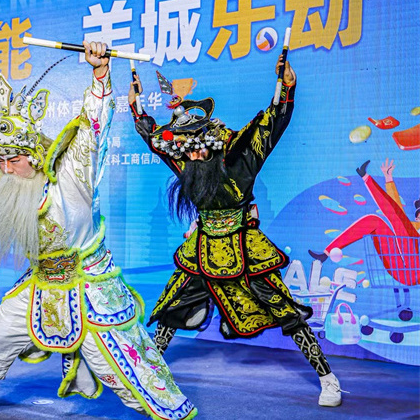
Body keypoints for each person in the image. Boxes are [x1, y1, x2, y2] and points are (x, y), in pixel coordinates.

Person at [0, 42, 196, 420]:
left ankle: (173, 415)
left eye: (13, 160)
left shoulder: (71, 176)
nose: (6, 169)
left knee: (124, 371)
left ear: (35, 155)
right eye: (0, 161)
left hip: (90, 286)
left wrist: (100, 74)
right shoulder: (10, 179)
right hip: (40, 283)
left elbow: (94, 128)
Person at [133, 57, 343, 407]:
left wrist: (287, 86)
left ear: (211, 142)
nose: (191, 155)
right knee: (173, 305)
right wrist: (136, 105)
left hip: (244, 247)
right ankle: (148, 371)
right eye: (186, 148)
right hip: (202, 248)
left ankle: (328, 378)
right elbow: (152, 138)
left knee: (285, 309)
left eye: (196, 147)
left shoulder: (241, 159)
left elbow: (273, 121)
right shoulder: (186, 163)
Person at [309, 158, 419, 283]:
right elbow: (395, 209)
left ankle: (366, 179)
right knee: (374, 220)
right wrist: (388, 179)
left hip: (416, 271)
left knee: (399, 220)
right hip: (400, 270)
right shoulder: (411, 227)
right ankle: (326, 253)